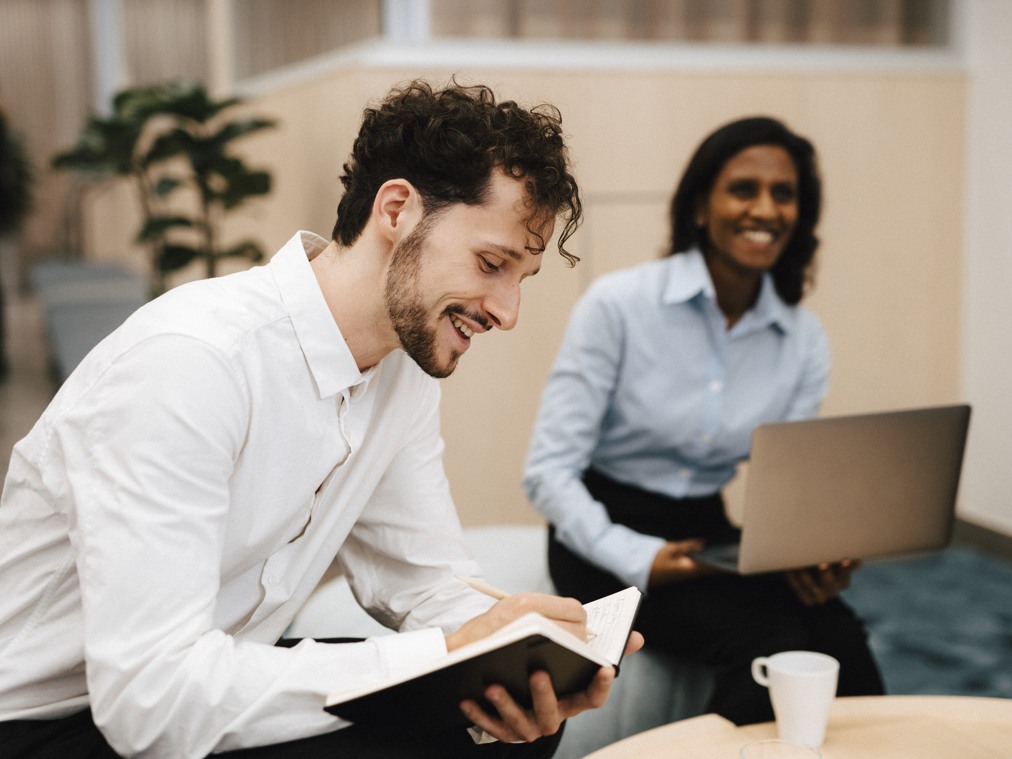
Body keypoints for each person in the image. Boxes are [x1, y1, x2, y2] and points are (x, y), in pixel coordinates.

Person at [0, 79, 643, 759]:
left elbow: (422, 578)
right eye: (491, 264)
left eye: (522, 279)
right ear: (396, 208)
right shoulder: (191, 362)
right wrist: (450, 651)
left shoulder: (402, 369)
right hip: (59, 718)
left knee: (498, 722)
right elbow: (149, 701)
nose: (507, 311)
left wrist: (516, 652)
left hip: (211, 672)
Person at [522, 116, 885, 727]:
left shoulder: (802, 339)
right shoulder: (619, 306)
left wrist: (810, 554)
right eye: (744, 188)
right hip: (603, 531)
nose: (766, 208)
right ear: (699, 206)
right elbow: (548, 473)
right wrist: (639, 556)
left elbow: (789, 489)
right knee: (763, 645)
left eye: (784, 193)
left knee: (842, 644)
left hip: (707, 532)